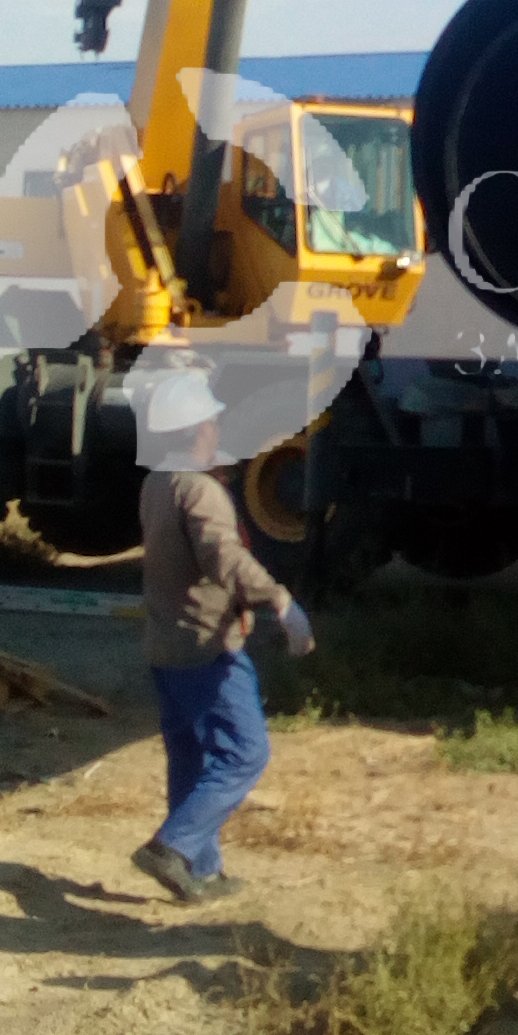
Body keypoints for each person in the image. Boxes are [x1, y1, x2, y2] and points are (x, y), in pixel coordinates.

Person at [132, 370, 315, 904]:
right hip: (206, 649)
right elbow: (224, 558)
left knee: (189, 758)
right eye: (211, 422)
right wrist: (278, 600)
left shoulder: (157, 482)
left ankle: (202, 871)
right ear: (196, 430)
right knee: (245, 754)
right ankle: (173, 847)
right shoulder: (201, 491)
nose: (217, 429)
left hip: (165, 647)